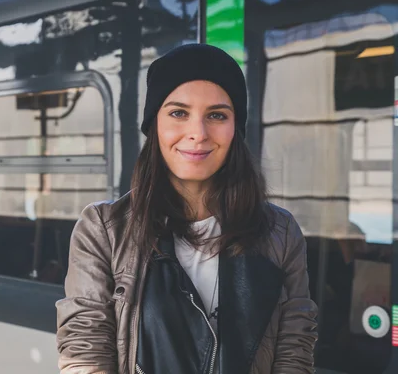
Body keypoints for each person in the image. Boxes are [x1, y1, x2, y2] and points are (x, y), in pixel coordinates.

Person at [56, 43, 318, 374]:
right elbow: (85, 351)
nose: (198, 133)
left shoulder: (281, 232)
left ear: (235, 127)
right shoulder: (104, 230)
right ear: (155, 125)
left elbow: (295, 352)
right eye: (178, 113)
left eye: (217, 115)